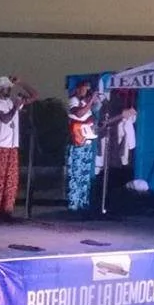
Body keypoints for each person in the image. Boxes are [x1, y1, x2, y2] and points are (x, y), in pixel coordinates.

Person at [0, 75, 34, 222]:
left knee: (11, 181)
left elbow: (34, 95)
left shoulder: (12, 101)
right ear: (0, 89)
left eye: (9, 88)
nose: (9, 90)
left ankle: (7, 212)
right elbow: (5, 119)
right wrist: (15, 107)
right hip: (0, 146)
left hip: (12, 147)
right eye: (7, 88)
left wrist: (21, 82)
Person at [65, 80, 102, 213]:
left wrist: (95, 100)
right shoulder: (73, 101)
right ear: (78, 89)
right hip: (76, 143)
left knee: (84, 175)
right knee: (75, 174)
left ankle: (83, 204)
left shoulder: (87, 102)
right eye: (84, 88)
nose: (86, 91)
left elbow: (95, 112)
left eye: (88, 89)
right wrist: (91, 101)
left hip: (86, 142)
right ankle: (73, 205)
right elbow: (79, 114)